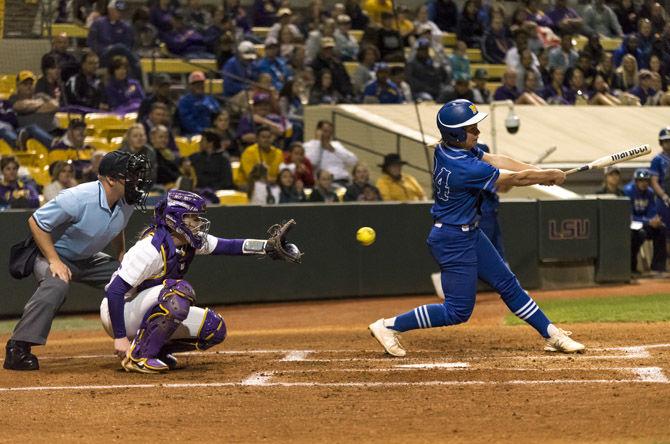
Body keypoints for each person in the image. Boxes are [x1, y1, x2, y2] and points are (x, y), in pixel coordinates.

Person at [368, 99, 585, 358]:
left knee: (508, 284)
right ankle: (388, 326)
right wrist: (546, 175)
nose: (477, 132)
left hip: (468, 232)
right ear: (456, 133)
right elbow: (513, 180)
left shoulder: (450, 148)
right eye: (471, 129)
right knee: (456, 312)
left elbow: (498, 159)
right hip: (451, 238)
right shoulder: (462, 166)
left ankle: (552, 334)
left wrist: (543, 172)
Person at [100, 190, 302, 373]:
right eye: (193, 218)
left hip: (144, 307)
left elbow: (229, 246)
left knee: (213, 328)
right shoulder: (149, 248)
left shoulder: (187, 241)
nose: (198, 223)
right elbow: (115, 292)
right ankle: (139, 357)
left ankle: (149, 347)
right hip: (118, 311)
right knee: (179, 292)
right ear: (175, 219)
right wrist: (120, 337)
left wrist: (267, 246)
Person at [3, 151, 152, 371]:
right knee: (57, 284)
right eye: (130, 175)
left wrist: (122, 254)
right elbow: (36, 222)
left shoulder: (125, 200)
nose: (135, 180)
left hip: (88, 258)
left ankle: (148, 339)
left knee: (133, 275)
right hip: (50, 254)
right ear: (111, 179)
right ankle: (18, 348)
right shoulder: (77, 197)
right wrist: (54, 261)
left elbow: (117, 226)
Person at [624, 168, 666, 274]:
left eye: (646, 181)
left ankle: (657, 267)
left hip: (644, 223)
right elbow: (629, 216)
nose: (643, 183)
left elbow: (652, 211)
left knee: (661, 229)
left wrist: (655, 220)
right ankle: (631, 267)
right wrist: (648, 222)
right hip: (631, 225)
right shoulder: (628, 191)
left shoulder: (650, 192)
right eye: (641, 180)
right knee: (638, 235)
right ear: (636, 181)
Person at [303, 120, 358, 185]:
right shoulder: (307, 146)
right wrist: (318, 143)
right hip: (326, 182)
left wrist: (334, 150)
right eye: (325, 131)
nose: (328, 135)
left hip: (344, 179)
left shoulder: (336, 145)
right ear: (317, 131)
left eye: (330, 132)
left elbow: (354, 161)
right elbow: (313, 162)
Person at [235, 126, 284, 190]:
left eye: (269, 137)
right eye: (263, 137)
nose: (266, 140)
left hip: (272, 185)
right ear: (257, 139)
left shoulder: (279, 153)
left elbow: (282, 174)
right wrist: (274, 180)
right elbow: (251, 177)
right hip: (248, 185)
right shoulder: (249, 152)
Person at [177, 71, 221, 136]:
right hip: (191, 134)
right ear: (190, 86)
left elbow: (218, 113)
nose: (199, 86)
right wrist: (202, 131)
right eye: (196, 84)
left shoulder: (210, 99)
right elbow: (187, 121)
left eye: (201, 83)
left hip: (210, 133)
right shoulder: (184, 101)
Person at [649, 127, 670, 230]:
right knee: (666, 231)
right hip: (665, 199)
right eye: (666, 141)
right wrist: (664, 196)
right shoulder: (657, 160)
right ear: (661, 142)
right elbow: (654, 181)